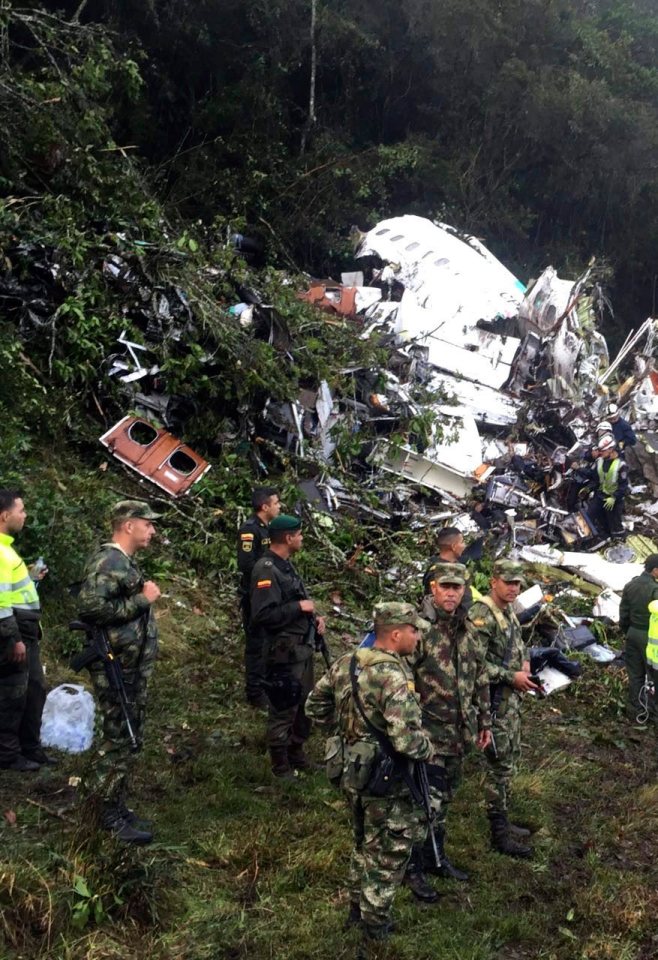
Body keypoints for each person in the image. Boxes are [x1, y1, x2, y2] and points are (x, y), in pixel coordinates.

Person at [305, 602, 435, 942]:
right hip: (386, 778)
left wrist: (346, 735)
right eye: (413, 630)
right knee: (389, 851)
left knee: (362, 841)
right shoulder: (394, 675)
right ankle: (375, 926)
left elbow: (314, 706)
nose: (418, 636)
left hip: (352, 769)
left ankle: (355, 908)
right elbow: (405, 740)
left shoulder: (347, 662)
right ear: (395, 634)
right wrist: (428, 749)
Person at [77, 500, 162, 843]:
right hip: (116, 665)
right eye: (148, 524)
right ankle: (103, 813)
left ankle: (115, 803)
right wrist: (143, 600)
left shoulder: (121, 562)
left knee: (128, 735)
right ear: (129, 525)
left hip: (127, 665)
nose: (152, 530)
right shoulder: (108, 561)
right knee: (117, 737)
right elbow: (90, 607)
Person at [408, 563, 491, 882]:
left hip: (460, 731)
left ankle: (435, 858)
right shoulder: (419, 629)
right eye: (446, 587)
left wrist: (484, 720)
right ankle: (412, 866)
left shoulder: (468, 628)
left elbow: (480, 676)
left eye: (457, 588)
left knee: (445, 799)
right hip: (427, 733)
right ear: (433, 588)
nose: (451, 593)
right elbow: (400, 678)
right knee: (424, 802)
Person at [467, 560, 538, 858]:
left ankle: (504, 819)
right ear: (493, 580)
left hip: (509, 700)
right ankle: (498, 833)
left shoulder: (507, 610)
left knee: (508, 759)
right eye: (508, 582)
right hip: (492, 700)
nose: (513, 588)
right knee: (497, 764)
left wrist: (525, 664)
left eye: (517, 584)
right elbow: (474, 664)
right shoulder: (482, 613)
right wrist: (512, 676)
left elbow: (517, 645)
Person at [250, 514, 325, 779]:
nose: (302, 538)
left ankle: (297, 754)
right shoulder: (267, 569)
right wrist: (298, 608)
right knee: (284, 706)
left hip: (301, 650)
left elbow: (294, 602)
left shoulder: (286, 566)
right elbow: (262, 615)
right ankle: (280, 766)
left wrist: (314, 620)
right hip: (283, 653)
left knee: (304, 706)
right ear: (289, 538)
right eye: (300, 534)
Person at [0, 489, 51, 771]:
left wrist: (31, 579)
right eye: (21, 510)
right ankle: (8, 755)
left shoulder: (6, 549)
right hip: (14, 634)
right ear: (5, 515)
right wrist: (14, 639)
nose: (25, 515)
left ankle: (29, 747)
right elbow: (0, 602)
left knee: (32, 689)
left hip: (25, 632)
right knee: (12, 695)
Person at [237, 487, 281, 707]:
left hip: (267, 595)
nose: (279, 507)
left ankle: (265, 684)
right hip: (254, 596)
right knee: (256, 644)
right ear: (265, 506)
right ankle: (254, 692)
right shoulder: (250, 529)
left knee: (268, 642)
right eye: (276, 503)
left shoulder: (268, 529)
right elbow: (246, 564)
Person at [619, 554, 658, 724]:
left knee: (635, 674)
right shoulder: (655, 590)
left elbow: (623, 614)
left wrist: (627, 631)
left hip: (632, 634)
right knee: (654, 676)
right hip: (650, 638)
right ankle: (653, 713)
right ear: (655, 570)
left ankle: (635, 711)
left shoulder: (630, 585)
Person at [423, 527, 478, 606]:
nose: (464, 546)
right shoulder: (437, 572)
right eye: (462, 542)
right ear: (454, 546)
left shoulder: (458, 566)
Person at [587, 435, 628, 539]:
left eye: (603, 451)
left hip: (614, 499)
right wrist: (589, 487)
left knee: (614, 524)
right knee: (590, 515)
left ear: (611, 449)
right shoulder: (600, 461)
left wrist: (614, 497)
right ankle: (602, 537)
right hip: (601, 495)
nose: (600, 453)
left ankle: (619, 539)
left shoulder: (621, 465)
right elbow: (594, 477)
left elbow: (623, 486)